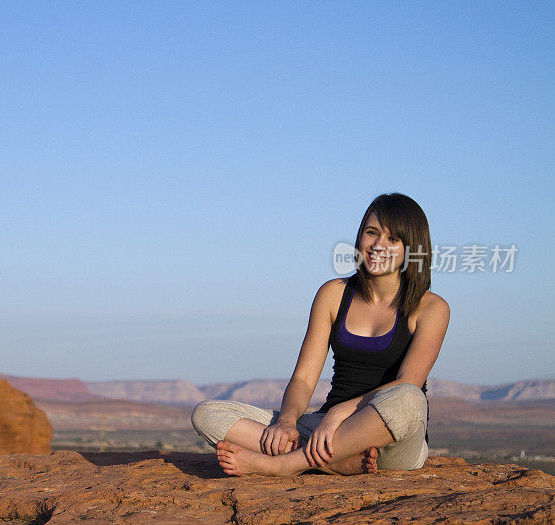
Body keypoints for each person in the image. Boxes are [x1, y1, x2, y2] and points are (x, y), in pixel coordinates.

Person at [191, 193, 450, 476]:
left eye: (393, 239)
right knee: (207, 414)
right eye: (371, 233)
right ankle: (339, 462)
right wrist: (288, 422)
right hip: (325, 428)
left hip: (389, 439)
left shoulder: (431, 308)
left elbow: (406, 383)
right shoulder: (333, 294)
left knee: (410, 398)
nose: (378, 246)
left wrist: (341, 413)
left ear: (412, 248)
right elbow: (303, 378)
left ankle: (284, 464)